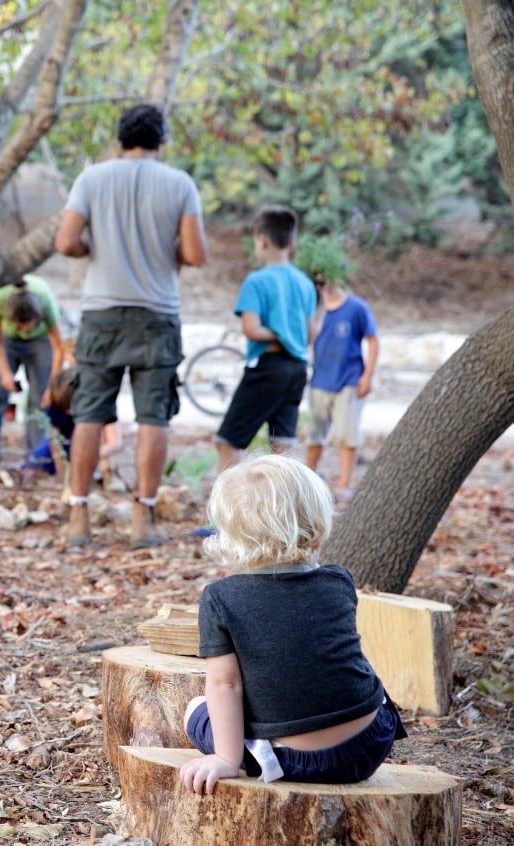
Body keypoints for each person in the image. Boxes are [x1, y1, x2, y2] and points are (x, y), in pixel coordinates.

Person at [179, 455, 407, 793]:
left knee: (194, 710)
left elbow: (225, 685)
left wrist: (226, 758)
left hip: (288, 759)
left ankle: (235, 746)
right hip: (370, 742)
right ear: (316, 526)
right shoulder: (338, 581)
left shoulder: (220, 599)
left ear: (231, 535)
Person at [54, 102, 208, 548]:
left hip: (102, 312)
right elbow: (196, 255)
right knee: (152, 417)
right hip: (156, 313)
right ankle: (143, 516)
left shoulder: (92, 178)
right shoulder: (180, 184)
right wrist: (167, 252)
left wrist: (93, 248)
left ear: (121, 139)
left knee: (89, 414)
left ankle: (78, 517)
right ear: (161, 141)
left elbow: (65, 241)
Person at [213, 206, 317, 473]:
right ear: (292, 243)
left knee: (228, 442)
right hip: (297, 369)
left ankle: (228, 511)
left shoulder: (256, 282)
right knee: (283, 446)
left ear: (262, 240)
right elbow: (310, 334)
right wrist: (292, 334)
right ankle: (286, 509)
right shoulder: (305, 283)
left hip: (267, 367)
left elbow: (251, 329)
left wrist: (279, 333)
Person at [0, 274, 63, 470]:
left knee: (41, 399)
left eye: (26, 325)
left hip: (40, 343)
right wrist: (5, 373)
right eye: (18, 325)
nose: (23, 330)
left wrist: (52, 386)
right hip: (7, 342)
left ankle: (37, 459)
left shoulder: (45, 301)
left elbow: (58, 347)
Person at [304, 278, 378, 502]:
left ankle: (344, 485)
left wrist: (367, 376)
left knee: (347, 435)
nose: (324, 285)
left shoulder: (356, 308)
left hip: (348, 379)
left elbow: (373, 340)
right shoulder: (315, 310)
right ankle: (307, 479)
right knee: (314, 435)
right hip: (319, 380)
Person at [19, 368, 127, 493]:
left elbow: (115, 442)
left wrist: (87, 458)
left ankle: (107, 474)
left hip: (90, 450)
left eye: (72, 406)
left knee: (97, 428)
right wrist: (63, 473)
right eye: (65, 408)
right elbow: (55, 442)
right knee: (38, 459)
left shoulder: (99, 404)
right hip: (64, 448)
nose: (69, 412)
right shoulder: (56, 406)